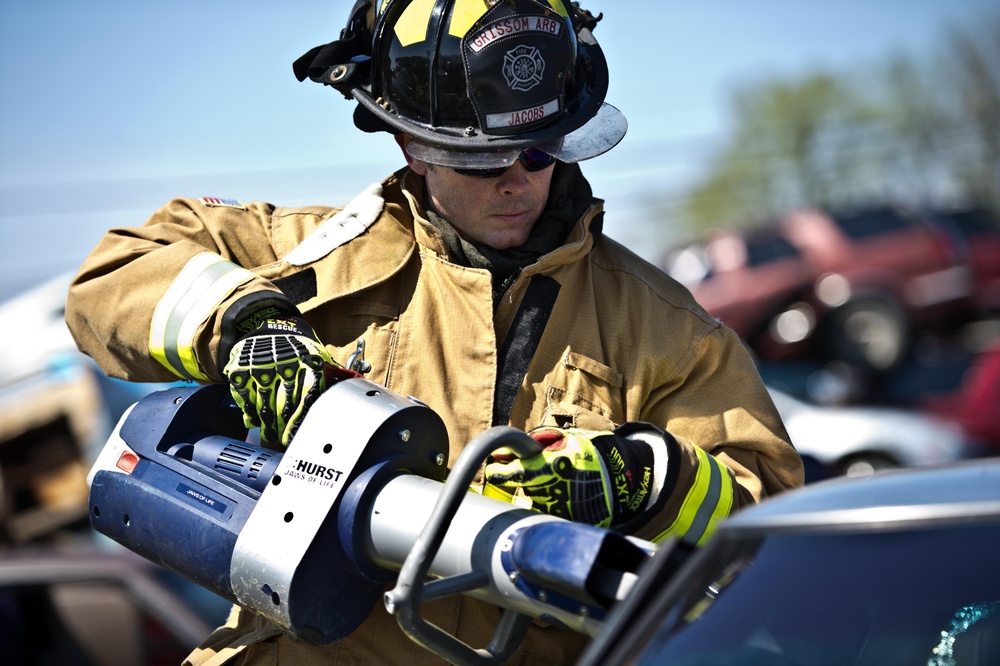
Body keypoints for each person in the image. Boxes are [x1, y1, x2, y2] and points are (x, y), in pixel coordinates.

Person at [65, 0, 804, 664]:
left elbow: (775, 542)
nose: (518, 180)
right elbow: (114, 273)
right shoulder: (308, 258)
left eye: (543, 149)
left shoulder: (665, 331)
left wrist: (647, 478)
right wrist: (245, 323)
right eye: (483, 159)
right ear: (409, 145)